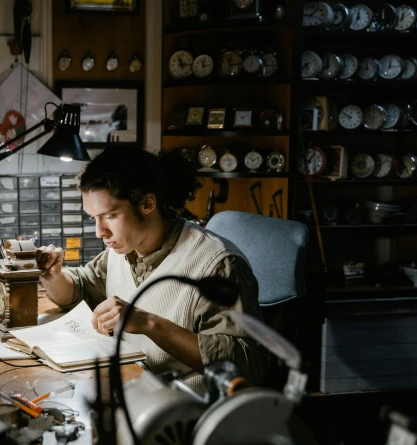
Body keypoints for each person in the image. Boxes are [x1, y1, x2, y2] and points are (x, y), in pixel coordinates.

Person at [36, 146, 269, 387]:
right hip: (132, 388)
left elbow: (249, 364)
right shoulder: (121, 249)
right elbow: (81, 288)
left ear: (147, 203)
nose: (99, 232)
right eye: (93, 218)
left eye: (110, 216)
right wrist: (53, 276)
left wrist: (149, 324)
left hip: (185, 409)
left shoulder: (216, 264)